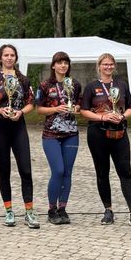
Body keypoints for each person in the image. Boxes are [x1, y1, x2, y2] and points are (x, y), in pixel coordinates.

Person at [80, 53, 131, 229]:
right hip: (98, 134)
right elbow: (84, 111)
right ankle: (108, 210)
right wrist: (102, 117)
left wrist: (122, 116)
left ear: (114, 66)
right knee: (102, 173)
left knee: (125, 172)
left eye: (111, 64)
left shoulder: (121, 84)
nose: (108, 67)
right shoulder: (91, 87)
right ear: (99, 66)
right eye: (105, 64)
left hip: (119, 134)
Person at [0, 44, 39, 229]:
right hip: (0, 128)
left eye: (12, 55)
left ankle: (29, 212)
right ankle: (9, 211)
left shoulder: (23, 79)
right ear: (0, 58)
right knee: (4, 171)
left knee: (26, 169)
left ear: (16, 58)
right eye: (6, 55)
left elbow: (31, 102)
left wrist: (21, 112)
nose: (9, 58)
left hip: (19, 127)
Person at [36, 51, 81, 225]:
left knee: (68, 172)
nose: (63, 65)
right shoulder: (45, 85)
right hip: (51, 135)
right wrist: (56, 109)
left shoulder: (75, 84)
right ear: (53, 65)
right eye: (60, 62)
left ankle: (62, 208)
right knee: (58, 171)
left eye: (66, 62)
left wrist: (76, 109)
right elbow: (39, 109)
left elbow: (79, 105)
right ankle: (51, 209)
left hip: (71, 134)